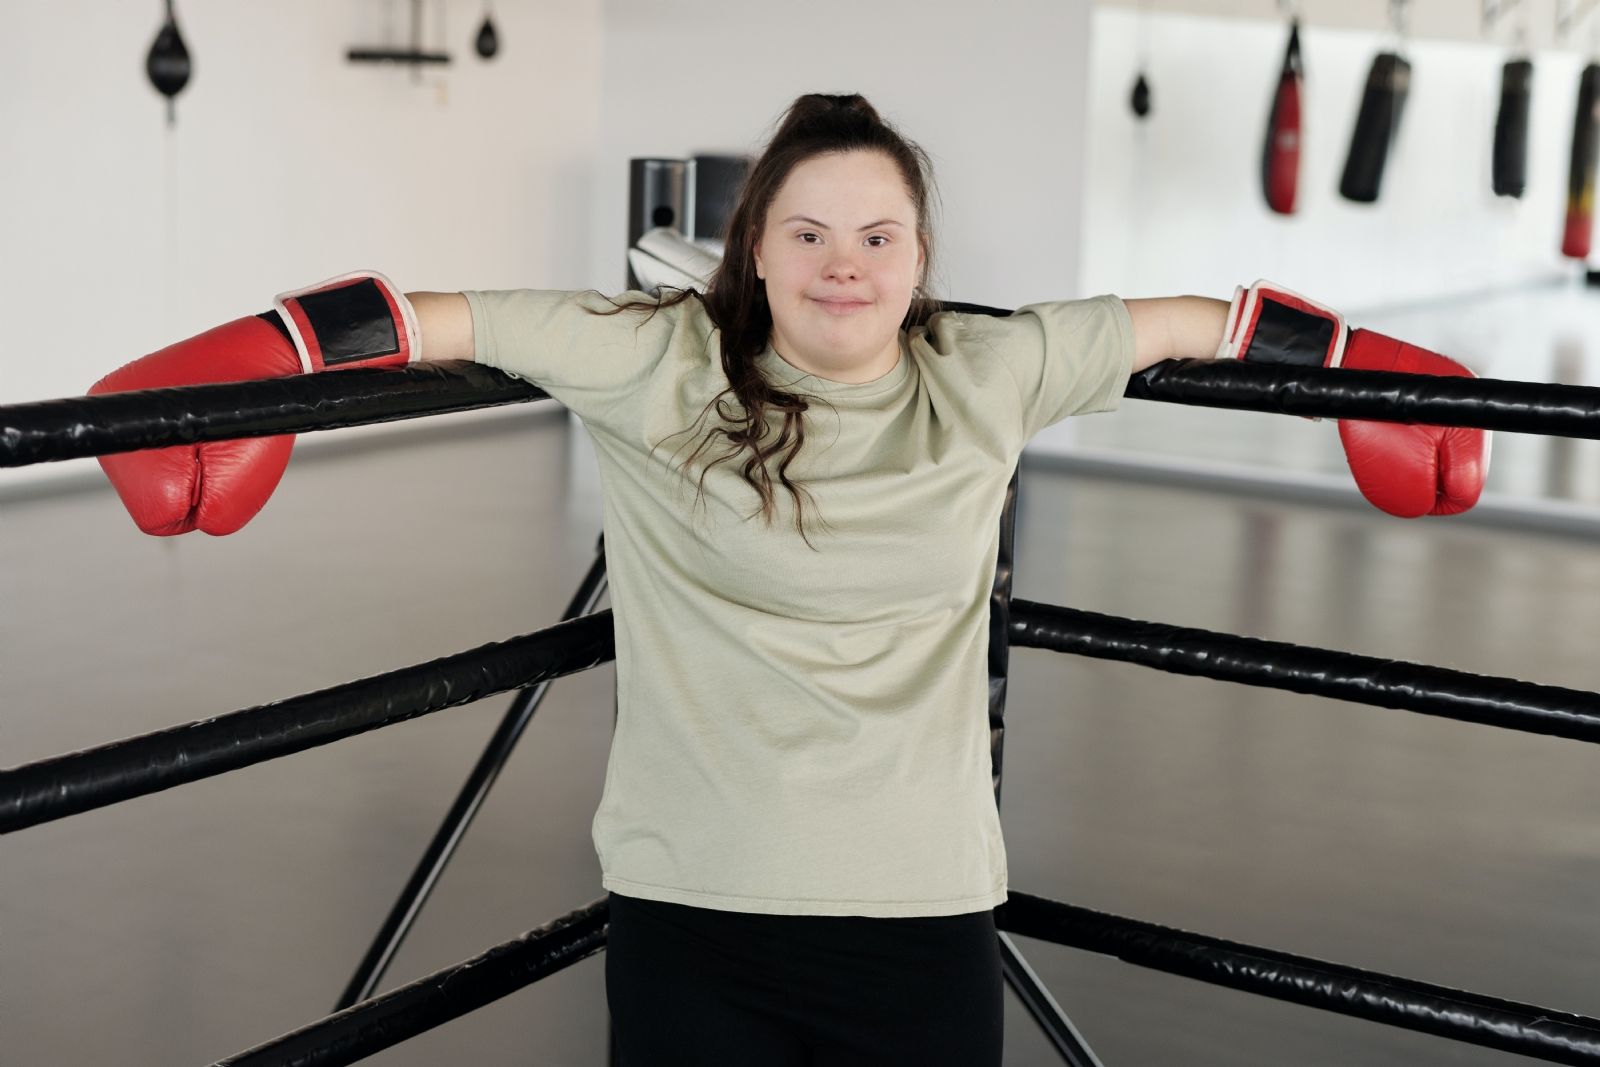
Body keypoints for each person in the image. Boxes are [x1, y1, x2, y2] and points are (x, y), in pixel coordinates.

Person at [87, 94, 1486, 1065]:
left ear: (921, 258)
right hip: (694, 911)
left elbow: (1205, 318)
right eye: (807, 232)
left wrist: (1362, 369)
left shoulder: (989, 369)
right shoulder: (655, 359)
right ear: (754, 248)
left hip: (922, 917)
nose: (843, 265)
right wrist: (266, 355)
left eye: (879, 235)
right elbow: (424, 317)